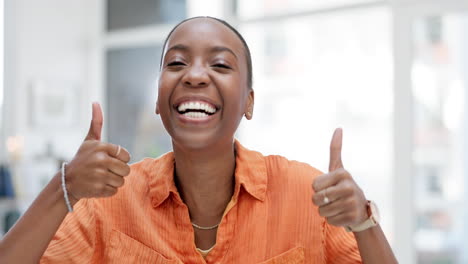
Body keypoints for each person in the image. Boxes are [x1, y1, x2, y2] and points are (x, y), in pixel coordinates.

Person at [0, 16, 398, 263]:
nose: (194, 75)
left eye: (221, 64)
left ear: (249, 102)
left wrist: (363, 223)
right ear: (158, 99)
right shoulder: (109, 205)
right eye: (176, 62)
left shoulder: (306, 197)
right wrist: (64, 187)